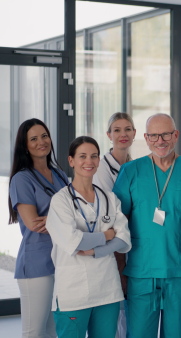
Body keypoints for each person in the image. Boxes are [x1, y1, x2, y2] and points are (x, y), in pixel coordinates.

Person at [112, 113, 181, 337]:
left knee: (177, 334)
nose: (160, 141)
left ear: (176, 135)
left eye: (165, 134)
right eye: (153, 135)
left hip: (180, 271)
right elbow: (118, 225)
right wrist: (120, 271)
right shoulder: (131, 171)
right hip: (141, 273)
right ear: (145, 137)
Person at [46, 136, 131, 338]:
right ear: (71, 161)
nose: (89, 161)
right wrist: (106, 235)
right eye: (82, 156)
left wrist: (94, 250)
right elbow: (73, 241)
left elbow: (123, 239)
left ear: (99, 161)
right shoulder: (61, 201)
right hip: (73, 292)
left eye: (94, 156)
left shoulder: (109, 198)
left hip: (107, 290)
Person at [8, 118, 69, 338]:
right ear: (25, 145)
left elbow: (76, 210)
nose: (41, 142)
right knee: (34, 332)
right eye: (33, 139)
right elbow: (34, 224)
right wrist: (65, 220)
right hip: (36, 264)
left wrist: (55, 219)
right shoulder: (21, 179)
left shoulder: (59, 174)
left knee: (53, 330)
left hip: (61, 260)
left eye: (44, 136)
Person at [93, 112, 136, 338]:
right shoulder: (100, 168)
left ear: (135, 134)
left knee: (128, 306)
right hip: (111, 241)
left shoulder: (136, 165)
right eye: (117, 130)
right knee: (115, 303)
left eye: (127, 129)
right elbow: (110, 209)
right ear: (108, 135)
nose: (123, 134)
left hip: (131, 240)